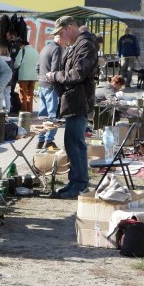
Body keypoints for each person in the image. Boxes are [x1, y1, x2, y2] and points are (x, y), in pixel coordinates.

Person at [46, 16, 99, 199]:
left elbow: (77, 74)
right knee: (72, 143)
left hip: (79, 101)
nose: (61, 36)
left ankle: (80, 184)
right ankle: (75, 182)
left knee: (75, 144)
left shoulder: (85, 45)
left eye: (61, 32)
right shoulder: (77, 45)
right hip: (74, 101)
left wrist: (55, 76)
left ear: (70, 27)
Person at [36, 32, 63, 150]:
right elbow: (55, 69)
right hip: (50, 85)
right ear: (60, 38)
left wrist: (40, 78)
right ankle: (49, 141)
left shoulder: (45, 48)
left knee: (42, 114)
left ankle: (40, 140)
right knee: (53, 115)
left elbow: (37, 67)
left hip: (41, 83)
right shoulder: (57, 49)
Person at [13, 38, 39, 113]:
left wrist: (14, 67)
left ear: (22, 45)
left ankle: (24, 111)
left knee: (23, 94)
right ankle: (30, 111)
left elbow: (17, 63)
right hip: (33, 76)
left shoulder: (22, 50)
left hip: (24, 75)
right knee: (30, 94)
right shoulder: (35, 51)